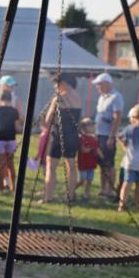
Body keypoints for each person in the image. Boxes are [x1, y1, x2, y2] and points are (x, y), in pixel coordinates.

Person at [42, 75, 82, 203]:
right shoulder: (78, 98)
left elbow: (48, 119)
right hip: (72, 136)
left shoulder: (58, 98)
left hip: (58, 135)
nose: (55, 87)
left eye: (56, 84)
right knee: (71, 166)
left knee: (51, 167)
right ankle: (70, 196)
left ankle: (48, 196)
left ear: (63, 83)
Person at [93, 72, 123, 198]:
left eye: (99, 84)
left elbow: (117, 118)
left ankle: (110, 190)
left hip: (107, 136)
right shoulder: (102, 97)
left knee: (109, 164)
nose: (97, 87)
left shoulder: (116, 97)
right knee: (102, 163)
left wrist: (111, 137)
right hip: (99, 135)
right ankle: (103, 189)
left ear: (107, 84)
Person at [0, 89, 22, 192]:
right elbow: (16, 127)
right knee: (10, 163)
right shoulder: (14, 111)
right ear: (10, 99)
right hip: (11, 139)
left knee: (0, 163)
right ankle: (13, 187)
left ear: (0, 98)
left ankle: (0, 186)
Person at [77, 118, 101, 203]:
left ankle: (86, 195)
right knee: (82, 180)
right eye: (91, 125)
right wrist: (92, 148)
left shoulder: (94, 138)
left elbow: (98, 149)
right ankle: (72, 189)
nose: (94, 126)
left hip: (91, 163)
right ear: (84, 127)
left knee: (89, 180)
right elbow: (84, 150)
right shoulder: (82, 138)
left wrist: (102, 158)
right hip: (83, 163)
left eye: (93, 124)